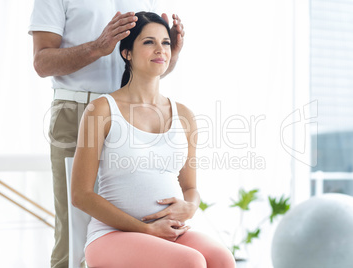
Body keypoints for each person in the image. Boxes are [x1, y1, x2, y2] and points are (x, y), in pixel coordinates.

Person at [71, 11, 236, 268]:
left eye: (165, 43)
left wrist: (190, 207)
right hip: (113, 236)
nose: (160, 49)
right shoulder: (102, 110)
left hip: (171, 232)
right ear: (127, 53)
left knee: (222, 259)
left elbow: (190, 188)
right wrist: (146, 230)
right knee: (190, 262)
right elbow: (80, 194)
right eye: (149, 42)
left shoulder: (184, 115)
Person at [28, 1, 184, 267]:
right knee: (74, 234)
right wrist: (97, 47)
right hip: (77, 110)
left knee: (140, 219)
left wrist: (172, 55)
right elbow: (42, 63)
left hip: (134, 114)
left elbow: (144, 66)